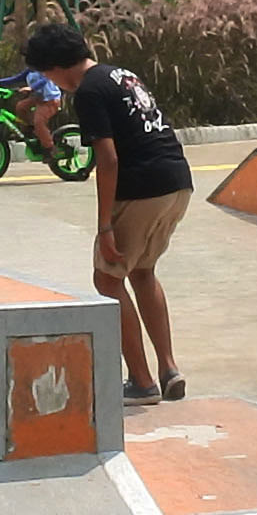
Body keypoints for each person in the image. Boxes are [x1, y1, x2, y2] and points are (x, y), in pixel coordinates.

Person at [30, 21, 194, 401]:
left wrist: (105, 226)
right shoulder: (120, 75)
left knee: (107, 279)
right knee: (141, 271)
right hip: (177, 180)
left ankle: (141, 382)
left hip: (141, 186)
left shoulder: (88, 91)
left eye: (46, 73)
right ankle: (168, 368)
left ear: (56, 66)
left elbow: (107, 158)